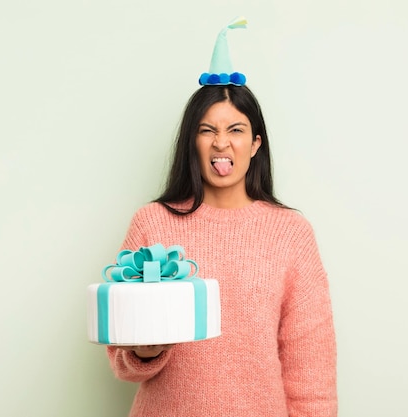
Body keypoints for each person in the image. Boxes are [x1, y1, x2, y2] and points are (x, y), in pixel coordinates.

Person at [105, 18, 337, 417]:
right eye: (206, 130)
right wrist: (144, 351)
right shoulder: (152, 223)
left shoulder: (290, 233)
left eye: (236, 129)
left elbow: (310, 368)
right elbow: (120, 354)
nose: (221, 142)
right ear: (191, 142)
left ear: (255, 144)